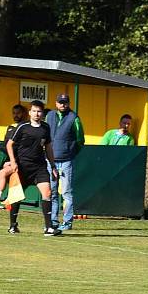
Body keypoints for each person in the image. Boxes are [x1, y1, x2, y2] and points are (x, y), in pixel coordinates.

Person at [5, 100, 62, 236]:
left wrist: (53, 165)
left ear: (43, 113)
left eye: (39, 111)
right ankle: (13, 225)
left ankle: (48, 227)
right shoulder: (22, 127)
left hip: (40, 167)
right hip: (23, 167)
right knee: (17, 196)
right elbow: (9, 144)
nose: (37, 114)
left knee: (47, 193)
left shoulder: (46, 128)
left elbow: (48, 147)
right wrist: (13, 162)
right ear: (30, 112)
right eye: (34, 111)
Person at [46, 93, 85, 230]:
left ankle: (67, 222)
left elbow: (80, 140)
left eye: (65, 102)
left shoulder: (74, 117)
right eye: (60, 102)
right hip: (51, 160)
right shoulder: (49, 115)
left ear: (69, 103)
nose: (63, 105)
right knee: (52, 192)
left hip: (66, 161)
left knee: (67, 192)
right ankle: (53, 221)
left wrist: (71, 152)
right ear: (56, 103)